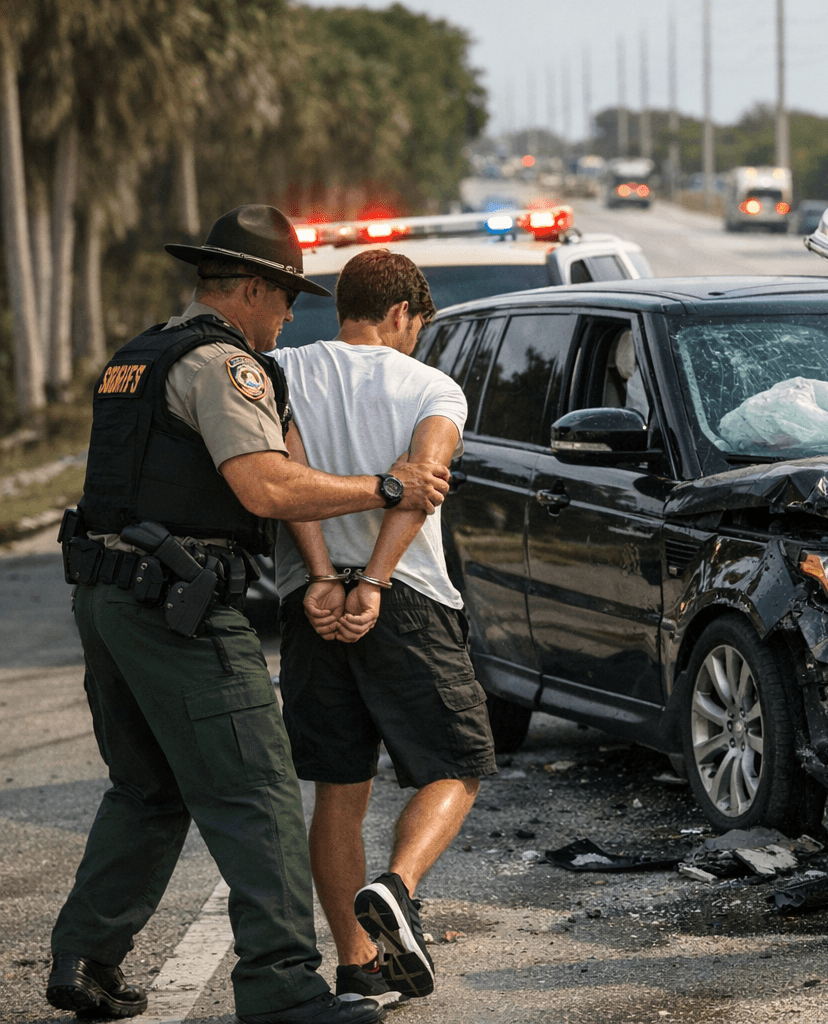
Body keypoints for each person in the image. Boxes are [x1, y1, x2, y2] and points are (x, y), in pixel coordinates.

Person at [50, 205, 450, 1024]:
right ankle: (282, 989)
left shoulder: (138, 354)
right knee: (261, 793)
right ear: (253, 288)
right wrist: (384, 486)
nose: (289, 317)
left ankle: (87, 958)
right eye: (285, 298)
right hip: (178, 609)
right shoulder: (221, 364)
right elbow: (265, 486)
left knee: (148, 787)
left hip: (107, 598)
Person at [270, 249, 495, 1004]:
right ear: (402, 314)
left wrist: (325, 578)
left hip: (313, 603)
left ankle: (357, 964)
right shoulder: (431, 385)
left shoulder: (283, 369)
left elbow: (285, 467)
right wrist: (373, 579)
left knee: (339, 789)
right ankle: (398, 886)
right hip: (406, 599)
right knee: (456, 764)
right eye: (415, 327)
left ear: (343, 306)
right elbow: (422, 479)